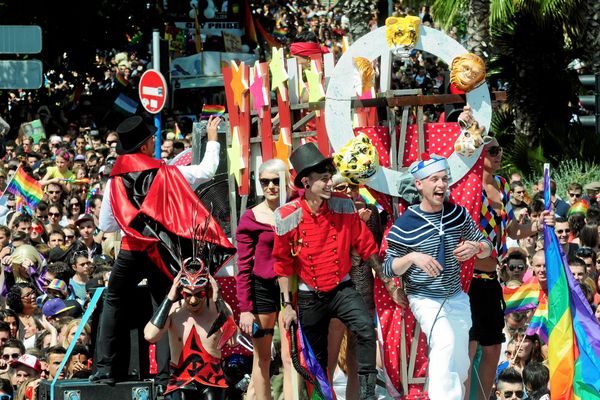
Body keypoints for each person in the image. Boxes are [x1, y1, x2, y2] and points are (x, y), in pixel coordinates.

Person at [90, 115, 233, 385]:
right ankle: (168, 374)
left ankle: (105, 369)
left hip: (131, 250)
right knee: (166, 305)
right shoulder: (167, 173)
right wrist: (213, 141)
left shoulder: (114, 181)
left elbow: (106, 225)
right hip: (163, 252)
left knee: (114, 301)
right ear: (144, 147)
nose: (155, 142)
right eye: (151, 139)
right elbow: (206, 171)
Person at [273, 143, 402, 400]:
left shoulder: (343, 205)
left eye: (329, 177)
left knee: (365, 327)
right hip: (309, 295)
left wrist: (389, 283)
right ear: (306, 183)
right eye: (324, 179)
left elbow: (366, 246)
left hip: (342, 288)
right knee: (315, 360)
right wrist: (287, 305)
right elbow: (283, 263)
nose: (330, 183)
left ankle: (366, 394)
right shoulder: (289, 215)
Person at [458, 106, 554, 400]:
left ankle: (484, 398)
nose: (499, 155)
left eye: (500, 150)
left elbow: (512, 231)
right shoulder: (467, 186)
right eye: (492, 150)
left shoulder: (500, 185)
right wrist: (465, 126)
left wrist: (538, 225)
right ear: (479, 155)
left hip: (490, 279)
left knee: (492, 348)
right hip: (467, 279)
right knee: (469, 349)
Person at [383, 153, 492, 400]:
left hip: (455, 296)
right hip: (425, 298)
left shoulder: (458, 214)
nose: (441, 185)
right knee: (444, 344)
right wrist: (412, 258)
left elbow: (487, 245)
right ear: (420, 184)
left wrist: (476, 248)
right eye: (434, 179)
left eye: (444, 179)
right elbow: (388, 267)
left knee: (461, 360)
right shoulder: (405, 223)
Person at [235, 159, 293, 400]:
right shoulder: (251, 218)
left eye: (276, 181)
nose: (270, 186)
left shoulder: (296, 208)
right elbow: (244, 266)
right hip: (262, 289)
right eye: (264, 181)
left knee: (291, 357)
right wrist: (245, 308)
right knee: (263, 358)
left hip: (292, 287)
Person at [144, 261, 235, 400]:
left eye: (199, 293)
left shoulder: (219, 308)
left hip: (213, 381)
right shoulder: (174, 310)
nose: (193, 300)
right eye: (188, 294)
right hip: (180, 382)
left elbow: (233, 342)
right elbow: (150, 336)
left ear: (208, 289)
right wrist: (169, 298)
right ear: (180, 291)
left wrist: (218, 300)